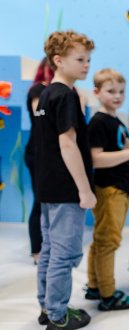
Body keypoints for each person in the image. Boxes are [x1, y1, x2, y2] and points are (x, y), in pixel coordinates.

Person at [35, 30, 96, 330]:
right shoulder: (66, 96)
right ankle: (59, 314)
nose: (87, 65)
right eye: (80, 60)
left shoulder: (46, 94)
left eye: (88, 59)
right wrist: (85, 190)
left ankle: (47, 307)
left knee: (49, 249)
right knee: (65, 253)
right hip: (66, 189)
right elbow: (68, 145)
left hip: (47, 186)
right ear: (58, 60)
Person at [84, 68, 129, 310]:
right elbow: (96, 159)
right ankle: (108, 295)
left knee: (101, 240)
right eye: (111, 91)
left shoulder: (115, 119)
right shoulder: (99, 122)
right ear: (97, 93)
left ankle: (94, 285)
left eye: (121, 92)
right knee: (108, 241)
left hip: (118, 189)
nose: (118, 96)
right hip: (109, 189)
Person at [24, 57, 54, 265]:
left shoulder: (59, 91)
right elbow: (39, 116)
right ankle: (37, 250)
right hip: (37, 153)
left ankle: (47, 246)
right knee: (39, 200)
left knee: (47, 201)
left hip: (48, 154)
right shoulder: (38, 90)